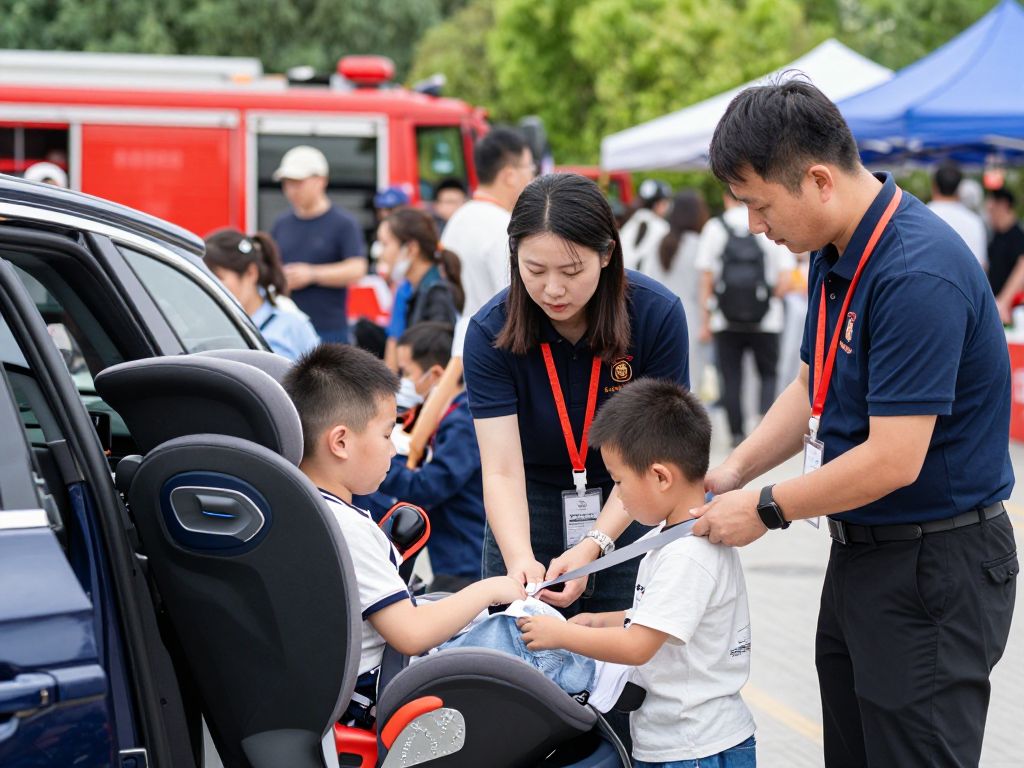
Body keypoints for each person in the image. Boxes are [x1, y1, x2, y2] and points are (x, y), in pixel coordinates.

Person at [696, 80, 1016, 767]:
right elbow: (814, 382)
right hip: (864, 555)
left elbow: (894, 459)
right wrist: (732, 471)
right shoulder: (834, 253)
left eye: (758, 203)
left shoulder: (913, 272)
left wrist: (767, 508)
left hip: (934, 564)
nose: (754, 225)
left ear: (817, 180)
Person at [463, 172, 689, 622]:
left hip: (631, 500)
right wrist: (519, 561)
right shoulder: (490, 332)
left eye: (571, 271)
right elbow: (502, 469)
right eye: (534, 270)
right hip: (529, 506)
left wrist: (596, 544)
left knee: (623, 666)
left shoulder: (656, 315)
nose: (553, 289)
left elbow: (654, 455)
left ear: (606, 254)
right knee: (518, 659)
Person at [516, 378, 756, 768]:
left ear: (661, 477)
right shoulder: (674, 535)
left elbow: (638, 646)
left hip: (694, 747)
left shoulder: (688, 554)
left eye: (619, 481)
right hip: (684, 738)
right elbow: (664, 620)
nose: (619, 496)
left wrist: (562, 634)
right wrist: (603, 621)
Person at [281, 343, 525, 724]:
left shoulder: (291, 508)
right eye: (386, 434)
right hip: (372, 700)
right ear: (340, 442)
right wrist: (491, 588)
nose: (394, 451)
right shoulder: (345, 529)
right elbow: (411, 634)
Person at [375, 322, 485, 593]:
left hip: (464, 557)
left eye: (407, 372)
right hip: (453, 552)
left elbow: (430, 485)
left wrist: (382, 462)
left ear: (436, 374)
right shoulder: (450, 414)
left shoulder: (462, 421)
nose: (405, 381)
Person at [696, 189, 795, 446]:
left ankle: (736, 433)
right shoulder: (769, 223)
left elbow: (706, 277)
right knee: (768, 374)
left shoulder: (715, 227)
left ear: (727, 199)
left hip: (724, 319)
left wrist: (706, 319)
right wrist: (767, 299)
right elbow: (786, 277)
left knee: (730, 376)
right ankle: (764, 428)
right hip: (767, 320)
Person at [271, 145, 368, 343]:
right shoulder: (281, 224)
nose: (291, 191)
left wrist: (312, 274)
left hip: (329, 329)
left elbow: (357, 268)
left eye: (298, 183)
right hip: (287, 327)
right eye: (287, 184)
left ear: (320, 181)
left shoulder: (343, 223)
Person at [442, 127, 534, 325]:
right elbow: (514, 302)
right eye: (530, 168)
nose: (532, 178)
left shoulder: (458, 218)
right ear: (509, 175)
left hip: (459, 339)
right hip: (495, 342)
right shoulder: (506, 227)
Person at [203, 228, 319, 361]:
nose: (211, 285)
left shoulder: (293, 326)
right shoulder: (205, 327)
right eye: (206, 277)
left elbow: (322, 378)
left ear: (251, 273)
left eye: (218, 277)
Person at [640, 190, 710, 399]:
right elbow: (704, 287)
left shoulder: (660, 243)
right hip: (693, 319)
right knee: (691, 382)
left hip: (661, 318)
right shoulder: (700, 245)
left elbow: (648, 279)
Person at [377, 208, 464, 372]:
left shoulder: (437, 294)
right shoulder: (410, 289)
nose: (380, 253)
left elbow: (436, 365)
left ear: (411, 249)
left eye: (385, 244)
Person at [927, 159, 988, 268]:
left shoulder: (922, 216)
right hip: (965, 283)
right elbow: (982, 266)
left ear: (934, 186)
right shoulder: (974, 221)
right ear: (959, 188)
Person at [986, 187, 1024, 323]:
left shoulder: (1017, 236)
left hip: (1010, 311)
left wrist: (1004, 301)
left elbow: (1022, 267)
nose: (989, 213)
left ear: (1003, 205)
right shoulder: (995, 236)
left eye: (992, 209)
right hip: (995, 307)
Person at [619, 180, 671, 272]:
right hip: (646, 281)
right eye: (665, 203)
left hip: (623, 276)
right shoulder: (662, 227)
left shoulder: (630, 222)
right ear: (657, 204)